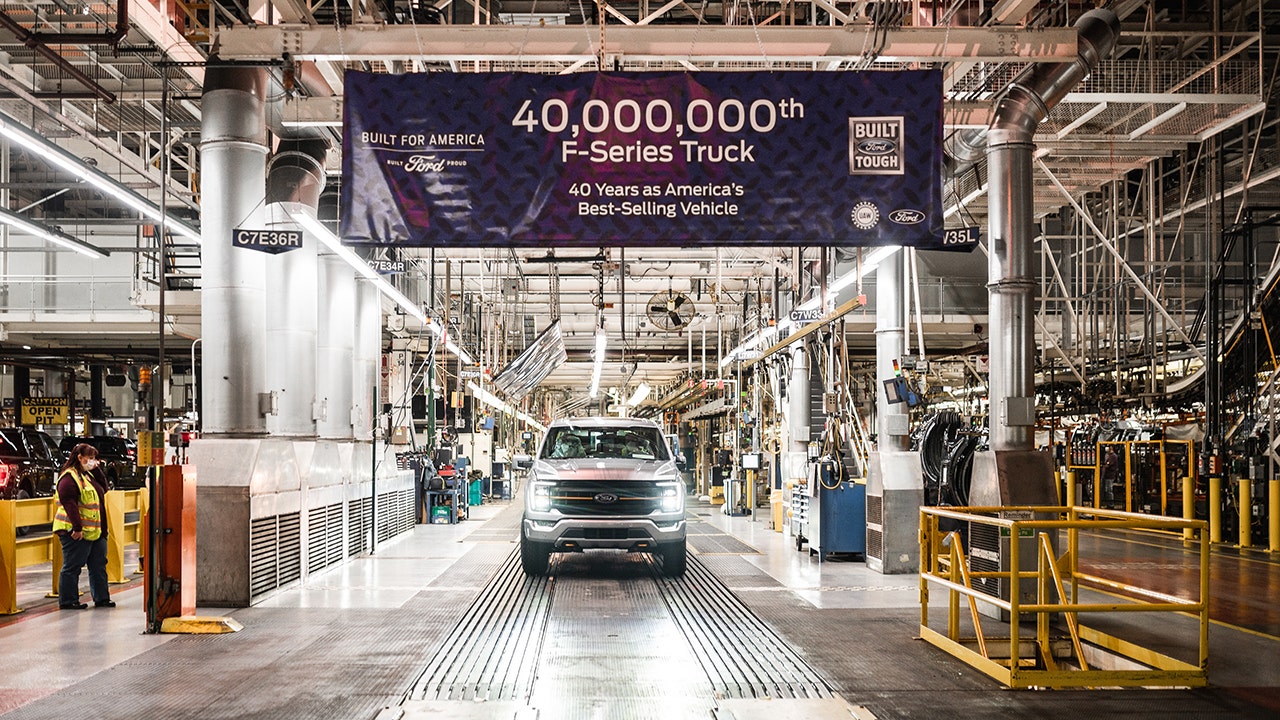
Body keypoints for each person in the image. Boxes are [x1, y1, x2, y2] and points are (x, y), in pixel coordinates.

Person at [53, 443, 114, 610]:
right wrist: (77, 528)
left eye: (95, 458)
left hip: (94, 531)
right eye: (90, 458)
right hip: (75, 532)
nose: (93, 461)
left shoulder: (88, 475)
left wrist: (96, 469)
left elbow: (104, 488)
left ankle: (102, 598)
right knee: (72, 567)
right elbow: (69, 503)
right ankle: (68, 601)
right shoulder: (69, 478)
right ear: (79, 457)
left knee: (98, 565)